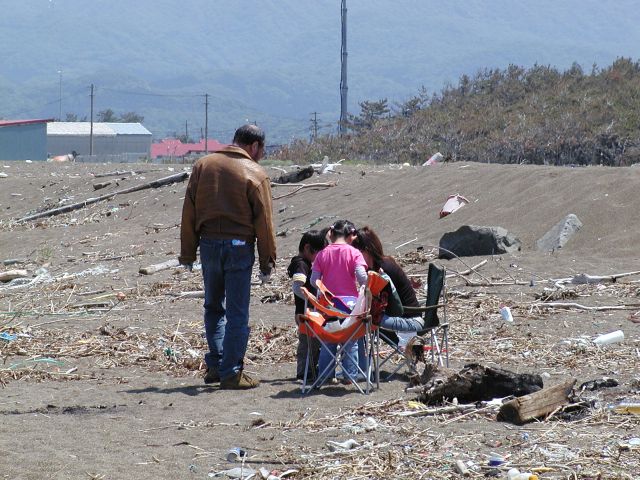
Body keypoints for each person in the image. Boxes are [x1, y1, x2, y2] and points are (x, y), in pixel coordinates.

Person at [179, 124, 276, 390]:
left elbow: (189, 210)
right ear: (254, 146)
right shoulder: (255, 173)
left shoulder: (203, 165)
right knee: (237, 313)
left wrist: (187, 252)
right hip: (239, 247)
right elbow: (264, 223)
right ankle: (231, 371)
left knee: (213, 307)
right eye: (262, 150)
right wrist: (267, 261)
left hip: (208, 245)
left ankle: (216, 364)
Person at [310, 220, 368, 385]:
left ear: (332, 233)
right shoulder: (354, 252)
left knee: (328, 340)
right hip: (350, 305)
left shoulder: (322, 253)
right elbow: (362, 277)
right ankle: (350, 376)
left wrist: (323, 288)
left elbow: (314, 280)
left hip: (328, 305)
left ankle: (326, 375)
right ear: (350, 235)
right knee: (350, 341)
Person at [352, 226, 424, 333]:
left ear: (367, 250)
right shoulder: (376, 267)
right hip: (401, 316)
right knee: (361, 317)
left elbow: (384, 305)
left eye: (356, 253)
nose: (355, 258)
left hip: (411, 320)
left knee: (365, 319)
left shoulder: (384, 268)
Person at [287, 229, 327, 381]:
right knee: (307, 342)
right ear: (307, 248)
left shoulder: (304, 263)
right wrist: (312, 300)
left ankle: (310, 369)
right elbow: (297, 287)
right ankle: (304, 372)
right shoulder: (301, 264)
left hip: (307, 310)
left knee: (313, 342)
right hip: (304, 312)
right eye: (318, 252)